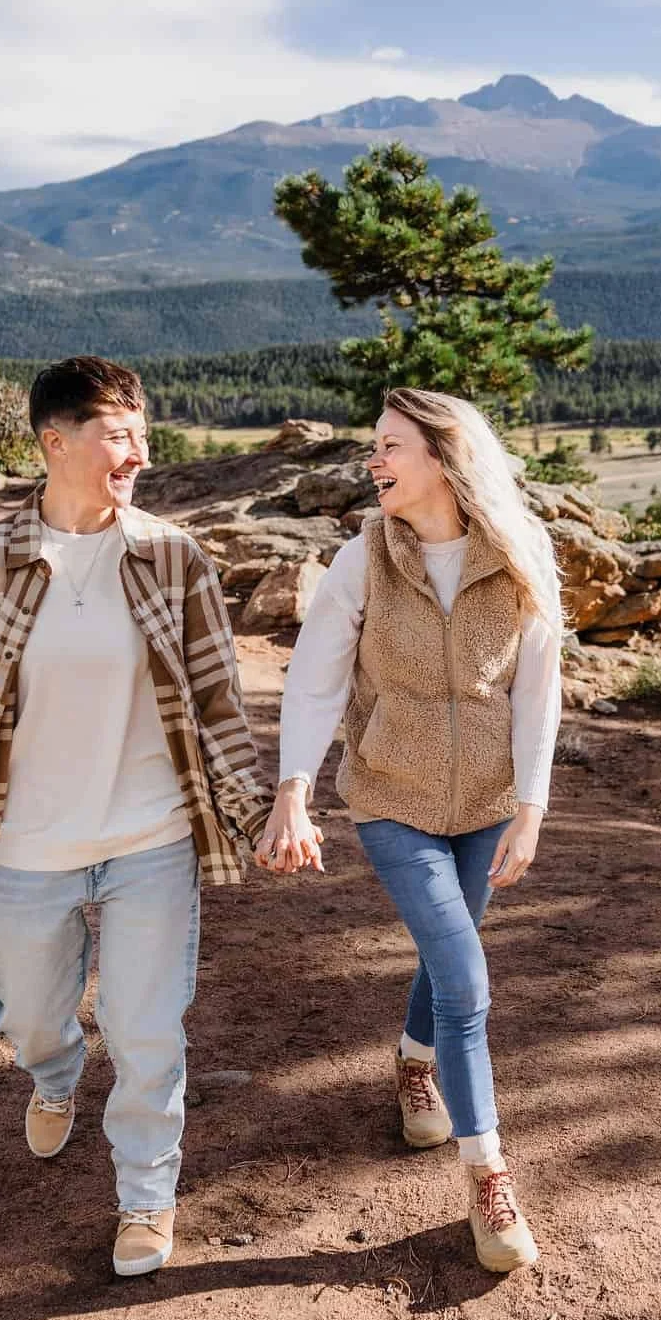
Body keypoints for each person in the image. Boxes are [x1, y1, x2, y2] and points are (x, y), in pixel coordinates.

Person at [0, 355, 273, 1278]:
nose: (138, 452)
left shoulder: (172, 556)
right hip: (28, 846)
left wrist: (257, 811)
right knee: (32, 1014)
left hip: (152, 839)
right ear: (53, 443)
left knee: (148, 1031)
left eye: (143, 432)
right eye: (118, 434)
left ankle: (146, 1198)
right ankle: (54, 1072)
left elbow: (219, 702)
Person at [257, 386, 564, 1273]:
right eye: (374, 447)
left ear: (444, 457)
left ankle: (412, 1062)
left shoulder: (520, 554)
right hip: (391, 796)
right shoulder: (365, 558)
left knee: (447, 952)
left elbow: (538, 692)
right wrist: (294, 794)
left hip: (488, 804)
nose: (374, 461)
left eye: (390, 446)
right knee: (466, 979)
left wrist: (532, 808)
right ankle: (490, 1177)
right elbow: (315, 681)